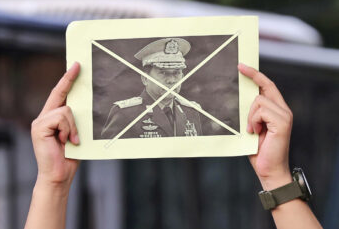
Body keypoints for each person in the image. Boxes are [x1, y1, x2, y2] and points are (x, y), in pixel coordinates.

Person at [24, 62, 323, 229]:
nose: (174, 78)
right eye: (164, 72)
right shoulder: (125, 111)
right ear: (145, 75)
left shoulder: (190, 110)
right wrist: (53, 184)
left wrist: (276, 177)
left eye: (177, 72)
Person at [101, 38, 202, 139]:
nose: (171, 80)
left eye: (176, 73)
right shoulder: (125, 114)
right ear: (145, 79)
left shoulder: (191, 112)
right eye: (163, 73)